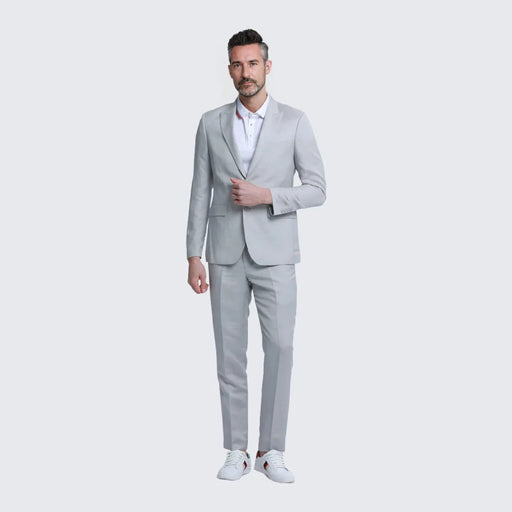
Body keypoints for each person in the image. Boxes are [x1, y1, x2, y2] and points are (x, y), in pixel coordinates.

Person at [186, 29, 326, 483]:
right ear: (229, 69)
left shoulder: (295, 121)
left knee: (281, 349)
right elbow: (199, 192)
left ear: (267, 66)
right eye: (236, 64)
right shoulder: (210, 122)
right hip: (224, 254)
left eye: (251, 63)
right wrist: (193, 254)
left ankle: (271, 450)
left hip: (276, 254)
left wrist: (267, 195)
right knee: (229, 354)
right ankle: (237, 449)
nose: (244, 72)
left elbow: (317, 189)